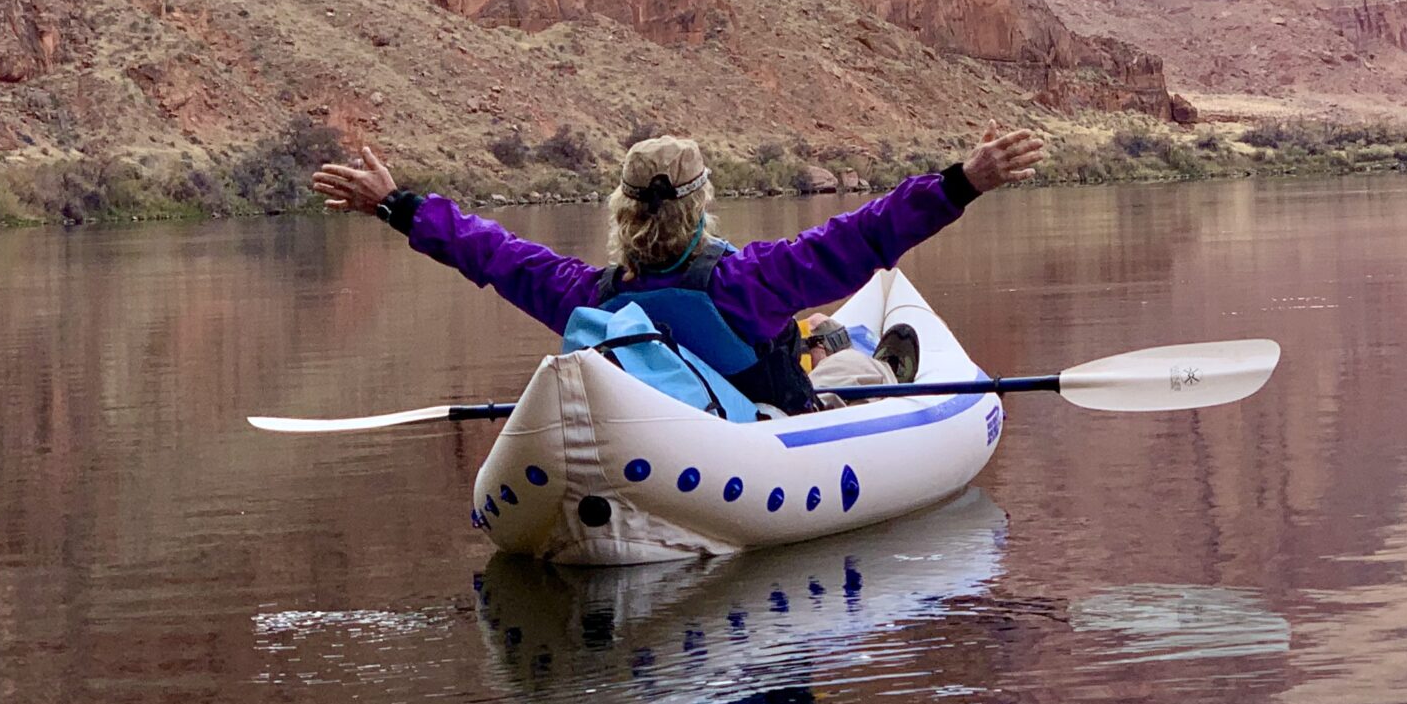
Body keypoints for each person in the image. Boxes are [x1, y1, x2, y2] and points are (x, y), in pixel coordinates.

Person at [309, 127, 1047, 414]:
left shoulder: (586, 299)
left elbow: (492, 252)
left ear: (621, 210)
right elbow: (864, 236)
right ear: (701, 210)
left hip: (691, 430)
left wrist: (396, 206)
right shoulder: (748, 282)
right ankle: (864, 357)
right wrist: (962, 181)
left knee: (810, 330)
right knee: (863, 371)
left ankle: (820, 338)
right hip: (767, 434)